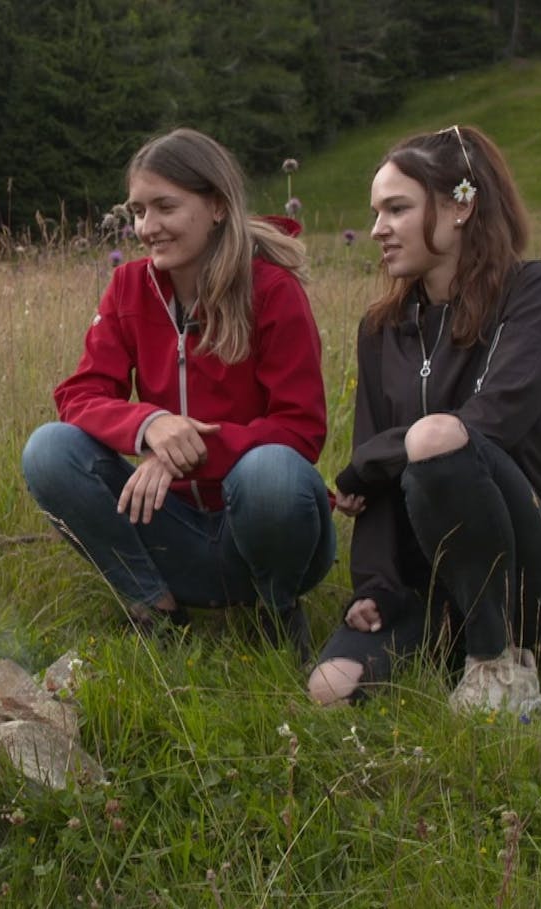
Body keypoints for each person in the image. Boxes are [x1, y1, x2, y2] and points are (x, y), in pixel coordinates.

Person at [307, 125, 541, 714]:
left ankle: (504, 658)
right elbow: (373, 480)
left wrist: (367, 465)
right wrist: (374, 583)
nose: (378, 229)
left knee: (441, 438)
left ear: (460, 207)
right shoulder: (380, 331)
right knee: (331, 689)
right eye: (376, 212)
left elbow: (485, 426)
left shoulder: (534, 295)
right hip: (431, 577)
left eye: (397, 208)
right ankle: (481, 639)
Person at [21, 127, 334, 659]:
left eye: (165, 207)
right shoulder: (129, 287)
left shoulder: (273, 290)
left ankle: (274, 613)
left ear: (216, 205)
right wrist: (149, 426)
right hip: (170, 531)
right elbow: (82, 393)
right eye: (138, 211)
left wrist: (186, 454)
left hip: (257, 528)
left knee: (273, 473)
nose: (147, 227)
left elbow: (299, 428)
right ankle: (157, 611)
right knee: (49, 450)